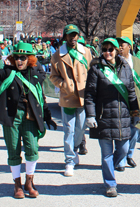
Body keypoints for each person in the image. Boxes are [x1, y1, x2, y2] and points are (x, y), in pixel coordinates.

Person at [0, 42, 57, 199]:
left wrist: (47, 116)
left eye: (23, 58)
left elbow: (40, 97)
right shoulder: (7, 71)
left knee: (32, 150)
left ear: (29, 58)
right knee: (13, 150)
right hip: (12, 117)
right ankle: (17, 185)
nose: (20, 61)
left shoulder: (36, 72)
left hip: (30, 117)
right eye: (17, 57)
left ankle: (29, 182)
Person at [84, 38, 140, 198]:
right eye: (104, 49)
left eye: (111, 49)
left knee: (123, 150)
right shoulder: (96, 69)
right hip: (104, 117)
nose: (107, 52)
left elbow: (131, 92)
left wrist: (135, 113)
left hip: (122, 117)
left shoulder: (125, 67)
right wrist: (91, 115)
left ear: (116, 51)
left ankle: (109, 170)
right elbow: (89, 95)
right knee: (106, 154)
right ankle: (110, 184)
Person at [49, 24, 92, 177]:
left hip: (82, 96)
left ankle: (74, 150)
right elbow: (53, 76)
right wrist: (64, 85)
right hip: (68, 97)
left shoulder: (85, 52)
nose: (73, 38)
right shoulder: (57, 55)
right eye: (70, 35)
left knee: (81, 129)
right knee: (69, 129)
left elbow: (91, 71)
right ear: (65, 37)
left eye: (75, 35)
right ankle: (69, 161)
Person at [116, 36, 140, 171]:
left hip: (135, 104)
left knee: (136, 130)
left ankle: (129, 154)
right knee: (122, 132)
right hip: (120, 104)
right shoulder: (114, 62)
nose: (120, 46)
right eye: (119, 44)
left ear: (130, 47)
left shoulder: (137, 62)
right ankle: (120, 160)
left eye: (123, 44)